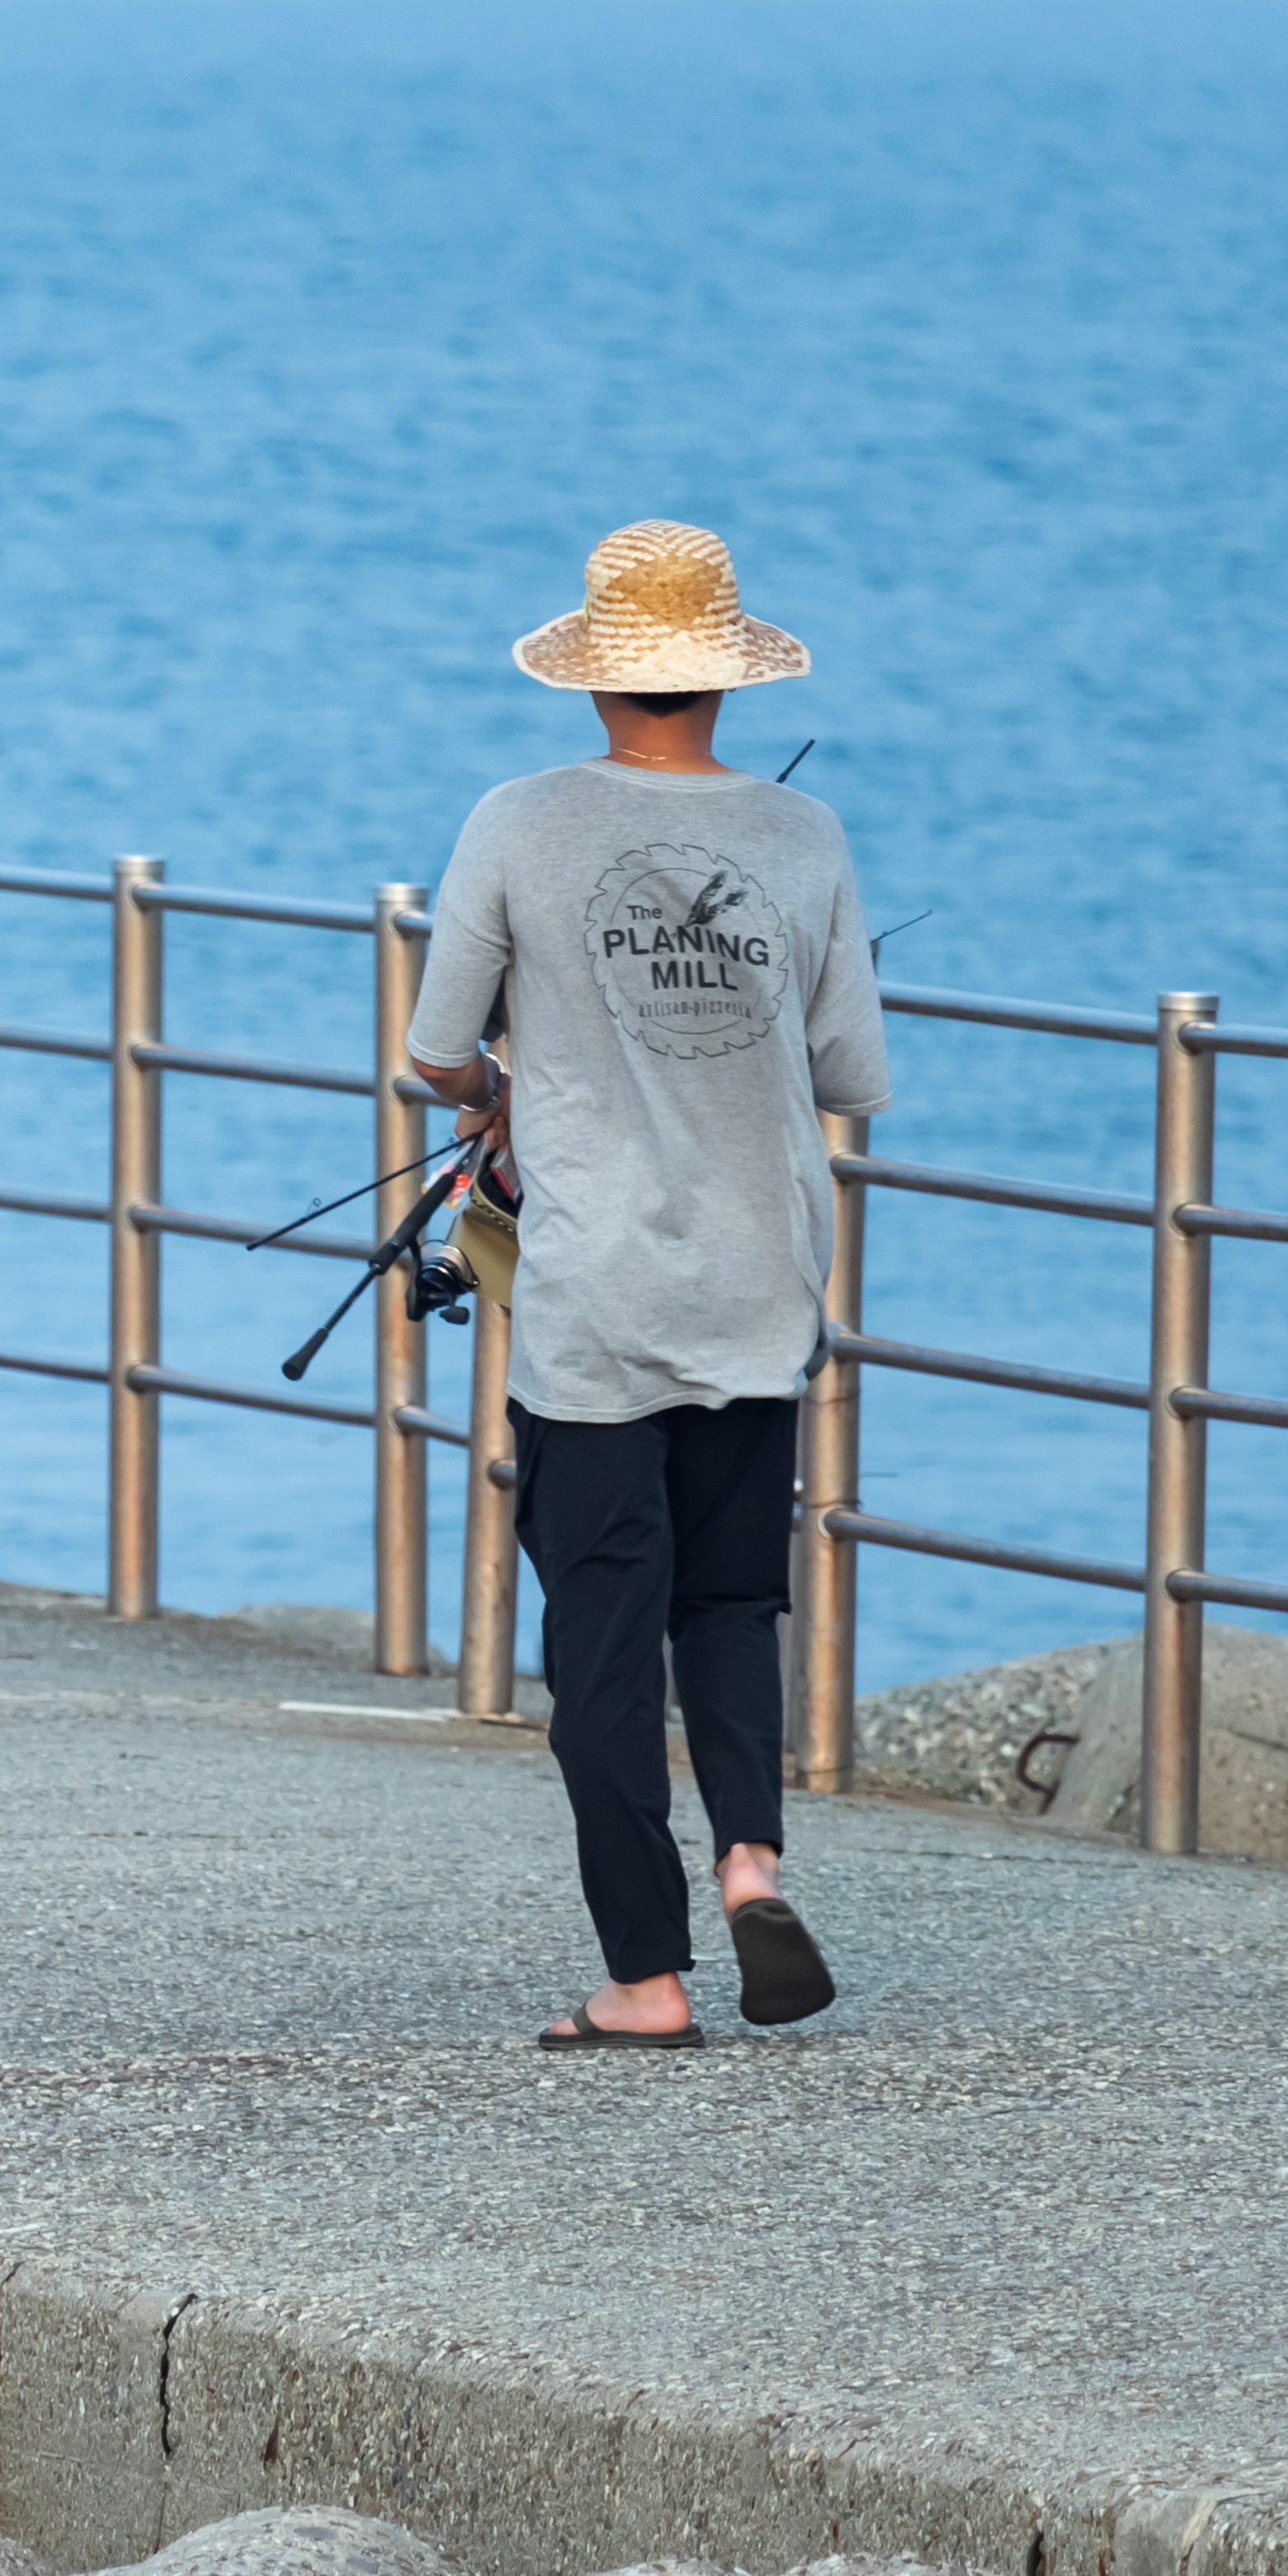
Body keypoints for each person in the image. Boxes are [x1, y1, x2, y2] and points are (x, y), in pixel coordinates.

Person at [404, 520, 890, 2048]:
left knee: (605, 1646)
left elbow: (433, 1050)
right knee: (731, 1600)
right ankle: (750, 1859)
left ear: (595, 676)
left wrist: (496, 1088)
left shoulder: (517, 821)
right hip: (761, 1280)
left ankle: (645, 1977)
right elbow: (846, 1069)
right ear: (726, 677)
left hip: (595, 1300)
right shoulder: (802, 837)